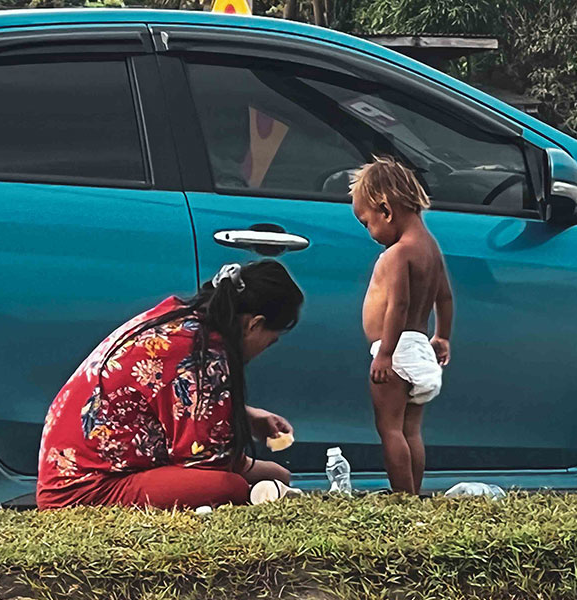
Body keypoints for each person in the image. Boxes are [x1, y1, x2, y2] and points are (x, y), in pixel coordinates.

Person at [37, 260, 304, 510]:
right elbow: (207, 462)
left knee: (253, 477)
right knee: (228, 486)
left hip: (71, 474)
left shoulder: (179, 321)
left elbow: (167, 401)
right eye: (270, 341)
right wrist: (269, 472)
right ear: (254, 325)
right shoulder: (201, 353)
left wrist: (246, 415)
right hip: (85, 490)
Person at [351, 157, 453, 494]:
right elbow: (446, 297)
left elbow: (400, 305)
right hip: (420, 346)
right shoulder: (431, 249)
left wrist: (385, 355)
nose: (370, 232)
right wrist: (442, 337)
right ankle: (415, 490)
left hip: (395, 352)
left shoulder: (398, 254)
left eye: (367, 222)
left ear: (386, 211)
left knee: (390, 429)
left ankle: (403, 497)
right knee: (411, 431)